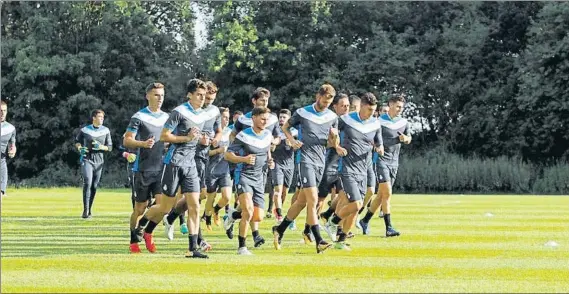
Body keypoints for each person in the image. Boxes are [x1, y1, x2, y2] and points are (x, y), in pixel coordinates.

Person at [134, 78, 210, 258]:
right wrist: (186, 138)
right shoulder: (178, 112)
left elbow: (197, 137)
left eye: (204, 95)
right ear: (189, 95)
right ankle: (141, 224)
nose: (201, 98)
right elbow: (164, 136)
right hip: (174, 163)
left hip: (190, 164)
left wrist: (203, 141)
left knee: (194, 205)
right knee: (165, 208)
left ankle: (193, 249)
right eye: (198, 95)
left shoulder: (203, 115)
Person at [272, 84, 339, 254]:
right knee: (313, 200)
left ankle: (279, 230)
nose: (326, 104)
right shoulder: (302, 112)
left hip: (320, 161)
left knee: (302, 202)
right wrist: (292, 141)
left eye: (329, 102)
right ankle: (319, 240)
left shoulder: (332, 116)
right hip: (305, 159)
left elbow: (332, 143)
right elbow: (285, 127)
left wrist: (335, 139)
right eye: (324, 101)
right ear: (318, 96)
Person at [323, 93, 383, 250]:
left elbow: (379, 142)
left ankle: (340, 242)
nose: (371, 113)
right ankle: (332, 222)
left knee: (355, 209)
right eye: (369, 109)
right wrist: (337, 146)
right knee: (356, 204)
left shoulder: (375, 124)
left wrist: (380, 148)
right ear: (362, 106)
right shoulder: (345, 120)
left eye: (374, 110)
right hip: (347, 169)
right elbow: (330, 134)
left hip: (363, 170)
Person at [227, 87, 280, 248]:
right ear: (254, 118)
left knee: (258, 216)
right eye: (262, 119)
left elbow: (267, 151)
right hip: (244, 175)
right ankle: (242, 246)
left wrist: (270, 161)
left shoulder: (268, 135)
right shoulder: (243, 135)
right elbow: (227, 155)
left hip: (260, 177)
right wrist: (243, 158)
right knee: (248, 211)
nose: (265, 122)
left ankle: (233, 215)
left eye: (267, 119)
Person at [123, 82, 169, 253]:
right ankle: (133, 241)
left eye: (162, 96)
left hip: (162, 169)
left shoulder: (167, 117)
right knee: (140, 209)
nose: (160, 99)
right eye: (156, 95)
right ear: (148, 96)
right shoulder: (139, 117)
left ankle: (148, 232)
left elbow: (171, 138)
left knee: (164, 206)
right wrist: (142, 143)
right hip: (142, 169)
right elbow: (127, 140)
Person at [359, 94, 411, 237]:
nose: (400, 109)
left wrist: (405, 139)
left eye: (402, 107)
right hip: (380, 160)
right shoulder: (378, 122)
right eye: (398, 106)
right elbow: (370, 138)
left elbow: (409, 138)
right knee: (387, 193)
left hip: (394, 162)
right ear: (390, 105)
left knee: (382, 195)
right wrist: (376, 146)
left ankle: (364, 220)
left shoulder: (404, 122)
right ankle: (389, 228)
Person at [74, 109, 112, 219]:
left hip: (99, 161)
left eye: (103, 117)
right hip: (87, 159)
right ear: (94, 118)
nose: (101, 119)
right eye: (99, 117)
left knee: (94, 186)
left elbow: (109, 147)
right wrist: (80, 148)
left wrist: (100, 147)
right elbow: (77, 141)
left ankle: (89, 209)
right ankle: (85, 211)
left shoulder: (106, 130)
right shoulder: (85, 130)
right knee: (88, 182)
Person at [204, 107, 233, 230]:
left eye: (228, 117)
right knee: (210, 197)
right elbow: (204, 154)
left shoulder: (231, 132)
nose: (227, 120)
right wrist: (218, 150)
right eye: (224, 117)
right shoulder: (211, 133)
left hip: (225, 170)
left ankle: (216, 210)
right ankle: (207, 219)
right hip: (212, 170)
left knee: (227, 197)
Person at [271, 109, 298, 224]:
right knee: (278, 191)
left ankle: (277, 210)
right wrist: (272, 145)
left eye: (284, 117)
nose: (281, 119)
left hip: (289, 165)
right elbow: (270, 144)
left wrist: (292, 143)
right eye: (280, 117)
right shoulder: (274, 131)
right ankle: (279, 215)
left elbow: (298, 146)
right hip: (276, 163)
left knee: (284, 192)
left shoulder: (294, 132)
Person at [0, 100, 16, 197]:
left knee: (2, 193)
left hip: (1, 161)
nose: (2, 113)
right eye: (0, 110)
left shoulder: (11, 128)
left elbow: (12, 145)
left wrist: (12, 150)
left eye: (4, 111)